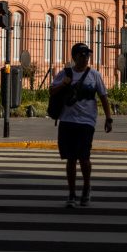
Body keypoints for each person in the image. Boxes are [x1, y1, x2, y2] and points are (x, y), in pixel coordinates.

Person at [50, 42, 113, 208]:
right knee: (70, 159)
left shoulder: (94, 75)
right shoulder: (65, 73)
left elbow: (103, 97)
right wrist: (64, 83)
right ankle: (72, 193)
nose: (86, 58)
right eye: (82, 55)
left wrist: (108, 118)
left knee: (84, 158)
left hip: (87, 121)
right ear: (74, 56)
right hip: (67, 120)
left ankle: (86, 186)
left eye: (87, 55)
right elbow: (52, 91)